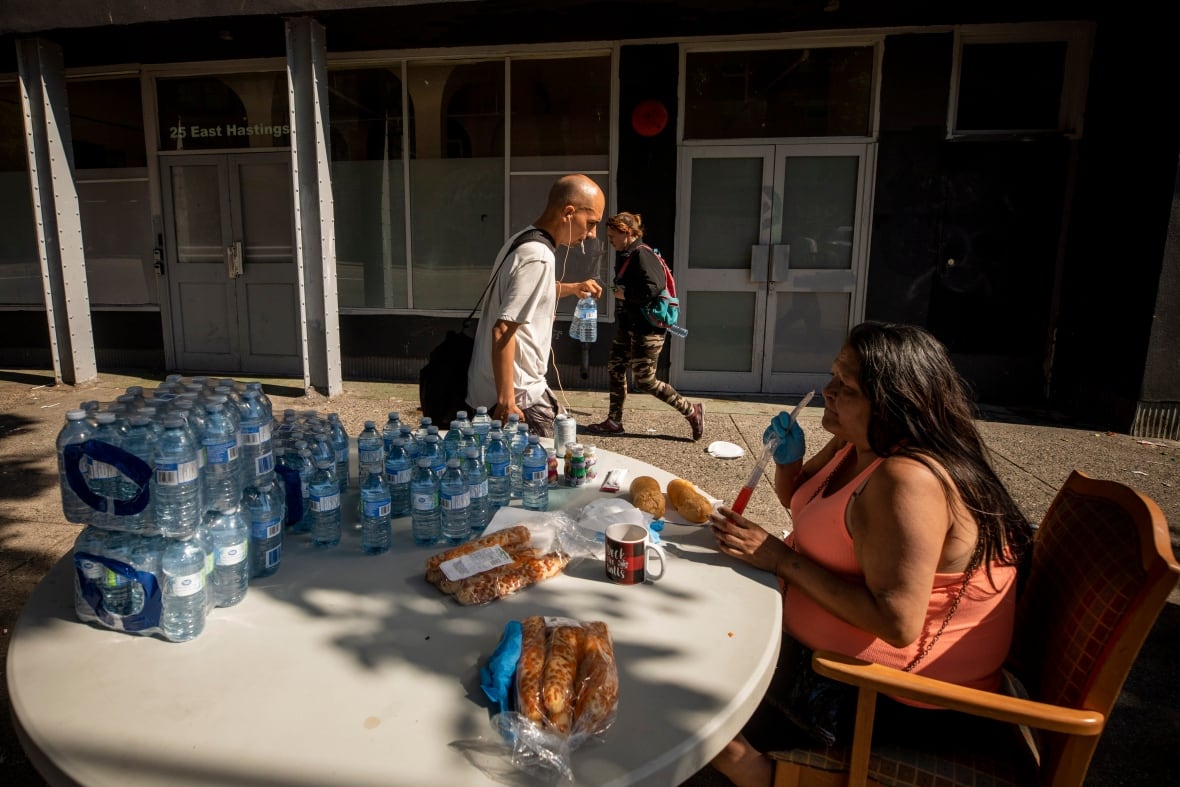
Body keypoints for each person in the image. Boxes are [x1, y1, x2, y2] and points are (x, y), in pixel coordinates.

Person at [707, 321, 1034, 787]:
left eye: (847, 386)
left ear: (893, 404)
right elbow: (809, 506)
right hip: (832, 665)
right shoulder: (858, 442)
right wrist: (789, 464)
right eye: (833, 375)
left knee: (691, 690)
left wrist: (780, 561)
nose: (828, 391)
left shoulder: (907, 482)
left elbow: (897, 624)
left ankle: (758, 771)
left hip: (895, 703)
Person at [466, 174, 604, 438]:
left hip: (498, 389)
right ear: (569, 212)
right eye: (591, 223)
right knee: (548, 471)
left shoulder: (523, 240)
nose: (592, 233)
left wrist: (573, 288)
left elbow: (526, 296)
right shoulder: (539, 256)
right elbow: (503, 329)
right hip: (519, 396)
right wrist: (507, 402)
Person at [586, 212, 704, 441]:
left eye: (613, 236)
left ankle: (691, 411)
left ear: (627, 233)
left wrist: (625, 294)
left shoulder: (642, 255)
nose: (610, 241)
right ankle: (614, 420)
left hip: (647, 329)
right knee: (615, 368)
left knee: (645, 380)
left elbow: (654, 287)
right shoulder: (627, 254)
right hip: (629, 325)